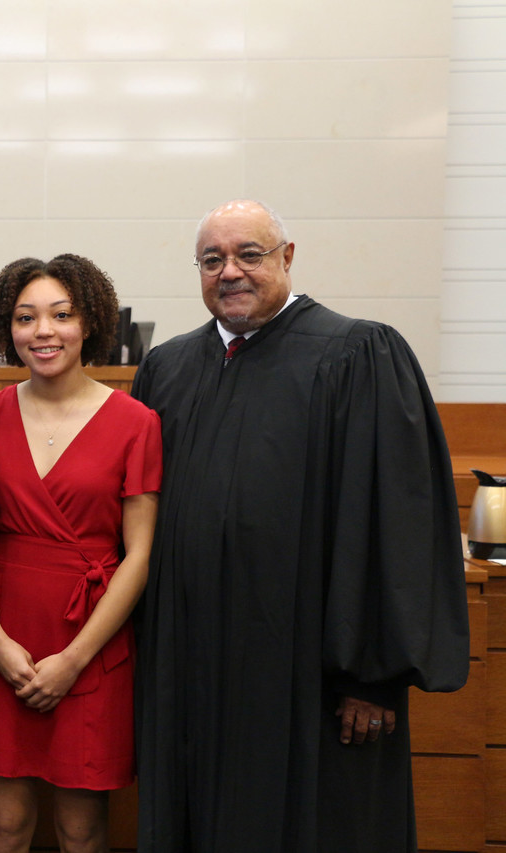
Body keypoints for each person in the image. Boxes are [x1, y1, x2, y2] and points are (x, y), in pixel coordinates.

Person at [130, 199, 470, 852]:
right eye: (211, 259)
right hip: (190, 671)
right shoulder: (168, 369)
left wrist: (371, 675)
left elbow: (394, 522)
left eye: (248, 254)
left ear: (286, 257)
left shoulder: (359, 354)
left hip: (311, 680)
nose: (228, 271)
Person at [0, 255, 161, 853]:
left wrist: (74, 659)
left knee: (82, 830)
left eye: (61, 315)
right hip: (2, 632)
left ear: (89, 321)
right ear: (5, 329)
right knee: (3, 826)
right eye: (25, 318)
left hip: (90, 642)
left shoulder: (136, 421)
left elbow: (140, 554)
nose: (43, 331)